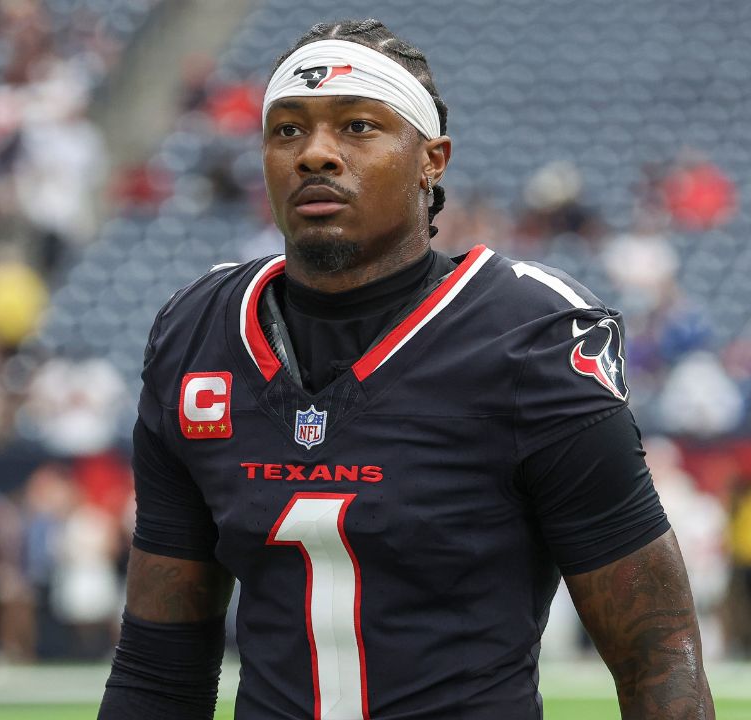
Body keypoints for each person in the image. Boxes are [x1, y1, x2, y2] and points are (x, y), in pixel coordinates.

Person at [99, 19, 714, 720]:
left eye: (358, 127)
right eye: (288, 130)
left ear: (432, 160)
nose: (316, 155)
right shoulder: (198, 332)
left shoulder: (528, 337)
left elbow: (659, 655)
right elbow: (158, 668)